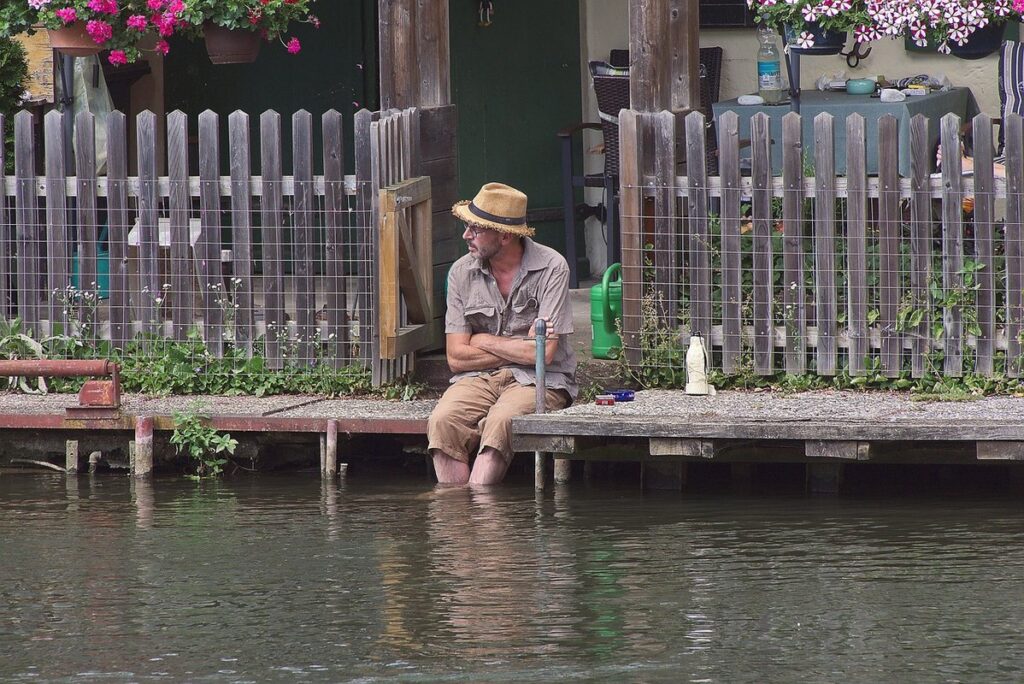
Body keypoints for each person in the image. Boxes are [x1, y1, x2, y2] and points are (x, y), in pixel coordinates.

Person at [427, 182, 577, 485]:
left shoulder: (552, 268)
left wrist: (482, 341)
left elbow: (543, 354)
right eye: (468, 226)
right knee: (442, 421)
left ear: (505, 236)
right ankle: (456, 519)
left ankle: (483, 517)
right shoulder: (460, 272)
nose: (465, 235)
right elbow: (456, 357)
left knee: (501, 421)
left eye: (475, 229)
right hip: (476, 378)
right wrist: (519, 345)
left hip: (539, 380)